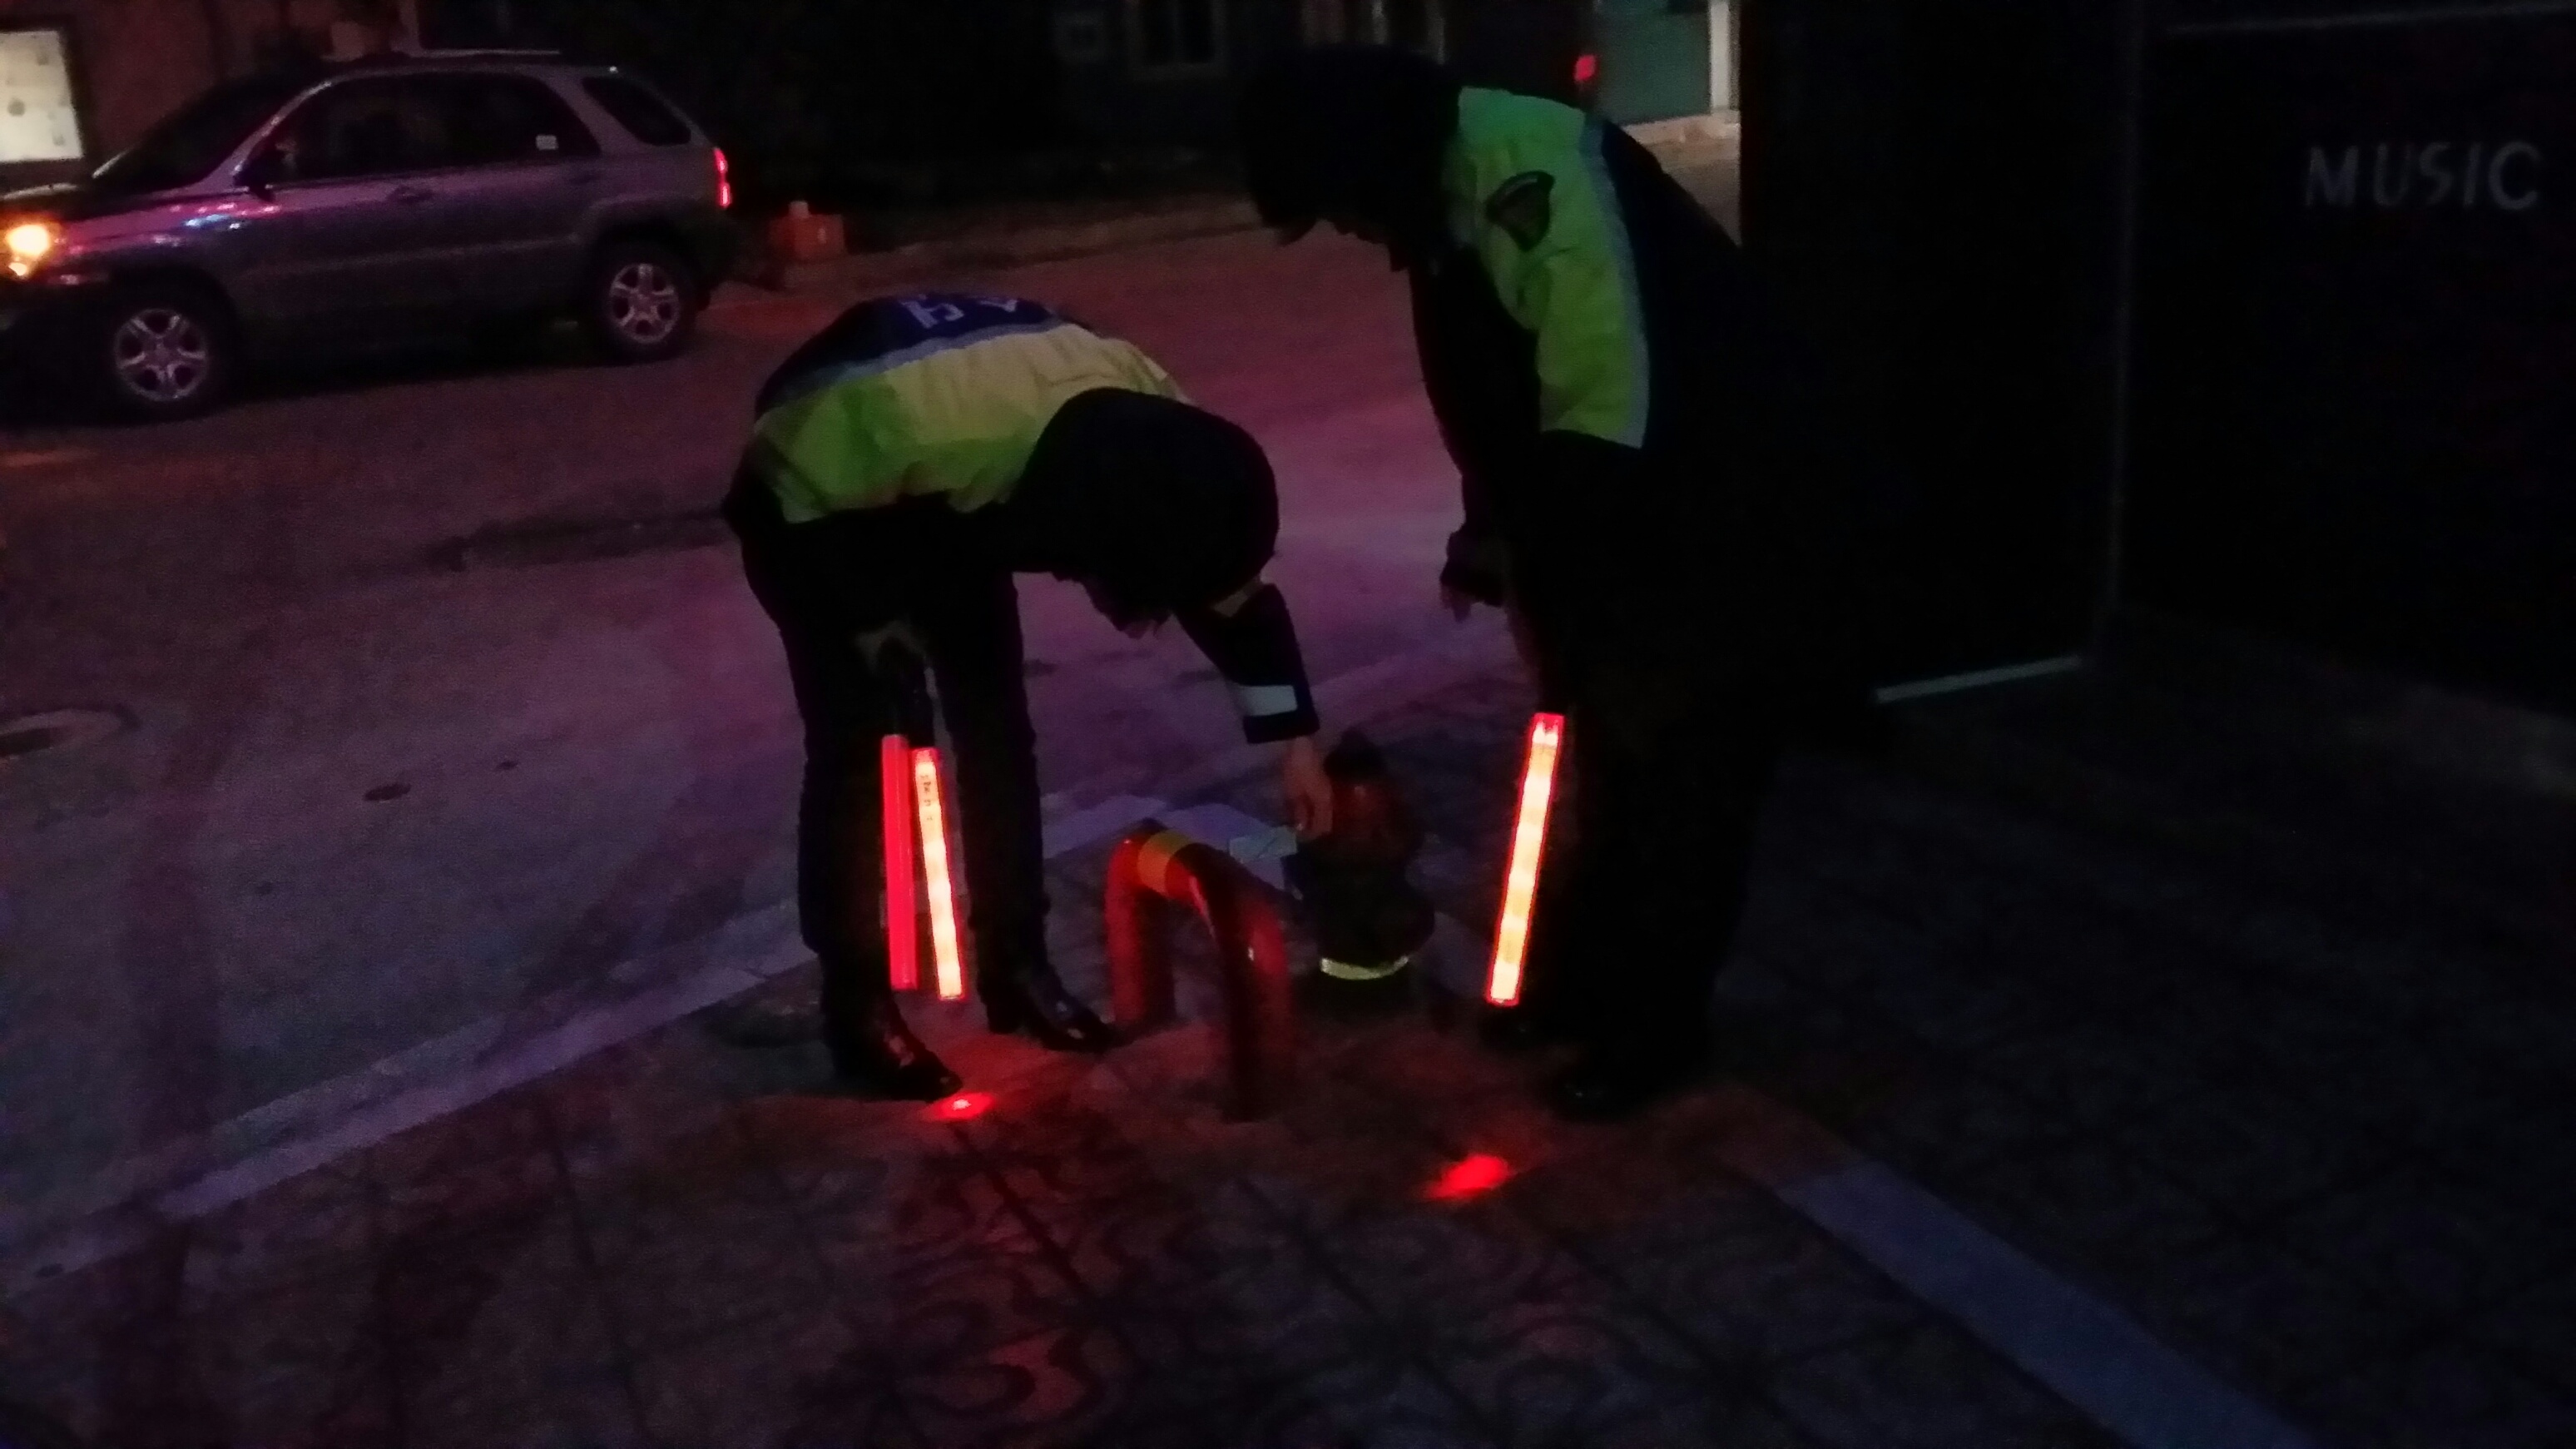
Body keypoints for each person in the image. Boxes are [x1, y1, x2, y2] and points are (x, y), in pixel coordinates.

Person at [1238, 47, 1896, 1119]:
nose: (1348, 231)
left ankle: (1654, 1033)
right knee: (1613, 770)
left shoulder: (1530, 168)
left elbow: (1604, 399)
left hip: (1723, 508)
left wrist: (1563, 573)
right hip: (1631, 516)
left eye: (1339, 206)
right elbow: (1493, 387)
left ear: (1367, 158)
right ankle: (1582, 990)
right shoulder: (1441, 197)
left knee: (1681, 781)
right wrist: (1492, 534)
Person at [726, 291, 1336, 1100]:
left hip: (960, 491)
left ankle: (1015, 963)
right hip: (817, 502)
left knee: (997, 726)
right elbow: (780, 486)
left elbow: (1218, 581)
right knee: (863, 747)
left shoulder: (1155, 428)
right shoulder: (925, 424)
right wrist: (867, 620)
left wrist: (1293, 740)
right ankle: (857, 1005)